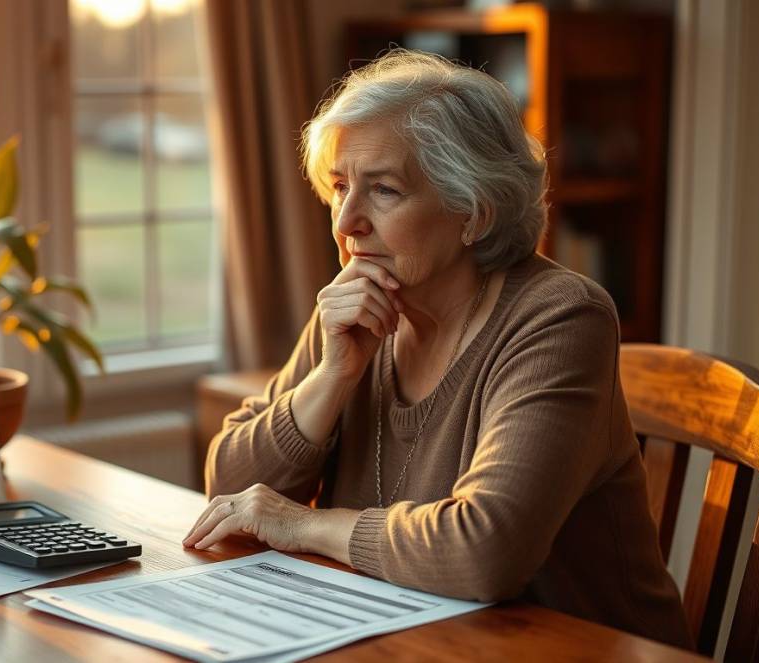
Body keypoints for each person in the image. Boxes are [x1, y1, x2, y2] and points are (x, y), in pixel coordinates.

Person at [183, 50, 692, 649]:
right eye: (342, 186)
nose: (347, 222)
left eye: (385, 191)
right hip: (415, 641)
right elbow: (231, 489)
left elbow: (487, 549)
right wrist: (332, 376)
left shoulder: (561, 318)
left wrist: (305, 525)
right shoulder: (364, 297)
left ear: (473, 214)